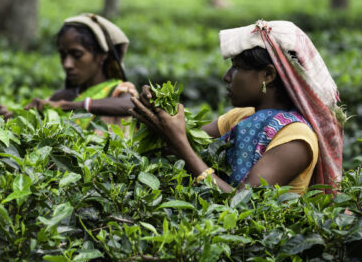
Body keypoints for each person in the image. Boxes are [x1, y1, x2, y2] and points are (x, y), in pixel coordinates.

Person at [130, 20, 344, 194]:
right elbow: (177, 142)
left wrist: (179, 143)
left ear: (268, 75)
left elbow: (242, 203)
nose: (227, 77)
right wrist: (156, 109)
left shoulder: (296, 137)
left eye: (238, 67)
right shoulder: (241, 117)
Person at [0, 13, 138, 130]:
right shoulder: (61, 97)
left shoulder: (119, 91)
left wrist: (71, 106)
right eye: (63, 55)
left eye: (77, 55)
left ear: (101, 57)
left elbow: (131, 105)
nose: (67, 64)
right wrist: (10, 117)